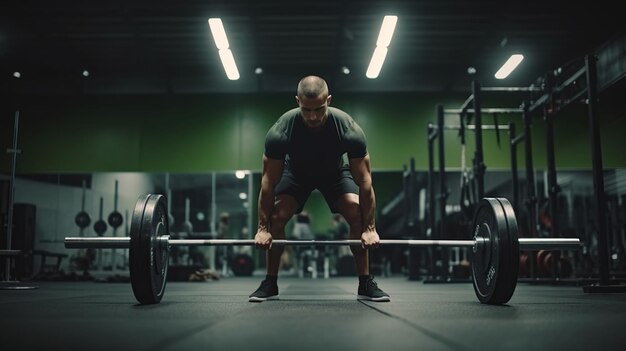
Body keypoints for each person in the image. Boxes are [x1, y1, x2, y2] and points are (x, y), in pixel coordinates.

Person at [249, 75, 390, 302]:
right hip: (296, 175)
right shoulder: (280, 132)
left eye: (319, 109)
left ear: (329, 100)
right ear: (297, 101)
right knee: (276, 218)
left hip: (333, 175)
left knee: (357, 213)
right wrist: (262, 228)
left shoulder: (349, 130)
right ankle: (270, 282)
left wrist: (370, 228)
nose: (313, 116)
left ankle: (365, 282)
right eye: (306, 110)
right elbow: (268, 182)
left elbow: (365, 182)